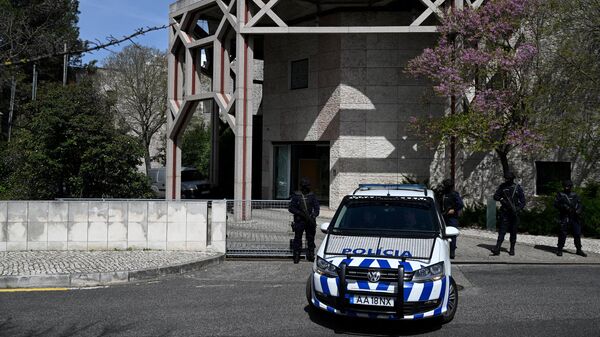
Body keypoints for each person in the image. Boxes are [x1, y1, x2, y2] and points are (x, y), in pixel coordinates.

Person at [492, 172, 526, 256]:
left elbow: (523, 201)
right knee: (502, 231)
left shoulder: (517, 188)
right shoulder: (502, 187)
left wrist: (518, 208)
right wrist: (502, 200)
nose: (507, 180)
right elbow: (495, 196)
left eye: (508, 179)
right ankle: (497, 247)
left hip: (514, 213)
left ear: (512, 179)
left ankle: (512, 248)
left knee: (513, 231)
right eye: (506, 179)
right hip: (505, 212)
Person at [288, 178, 320, 264]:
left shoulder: (312, 195)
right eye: (305, 187)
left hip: (310, 220)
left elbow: (317, 207)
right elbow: (291, 208)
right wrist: (299, 213)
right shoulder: (296, 195)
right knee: (298, 239)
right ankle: (297, 255)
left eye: (307, 187)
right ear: (302, 187)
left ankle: (311, 255)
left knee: (310, 238)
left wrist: (314, 215)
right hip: (299, 221)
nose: (306, 188)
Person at [554, 180, 587, 257]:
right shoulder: (560, 195)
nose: (567, 188)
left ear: (571, 187)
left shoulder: (575, 194)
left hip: (574, 216)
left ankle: (578, 249)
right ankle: (559, 249)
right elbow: (555, 204)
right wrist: (564, 207)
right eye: (565, 186)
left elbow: (580, 204)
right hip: (565, 216)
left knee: (577, 233)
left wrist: (578, 210)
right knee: (563, 233)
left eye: (568, 186)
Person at [441, 179, 464, 259]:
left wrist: (453, 210)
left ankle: (452, 251)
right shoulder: (443, 194)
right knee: (443, 233)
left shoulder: (454, 194)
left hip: (452, 217)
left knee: (452, 234)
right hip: (444, 216)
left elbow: (460, 204)